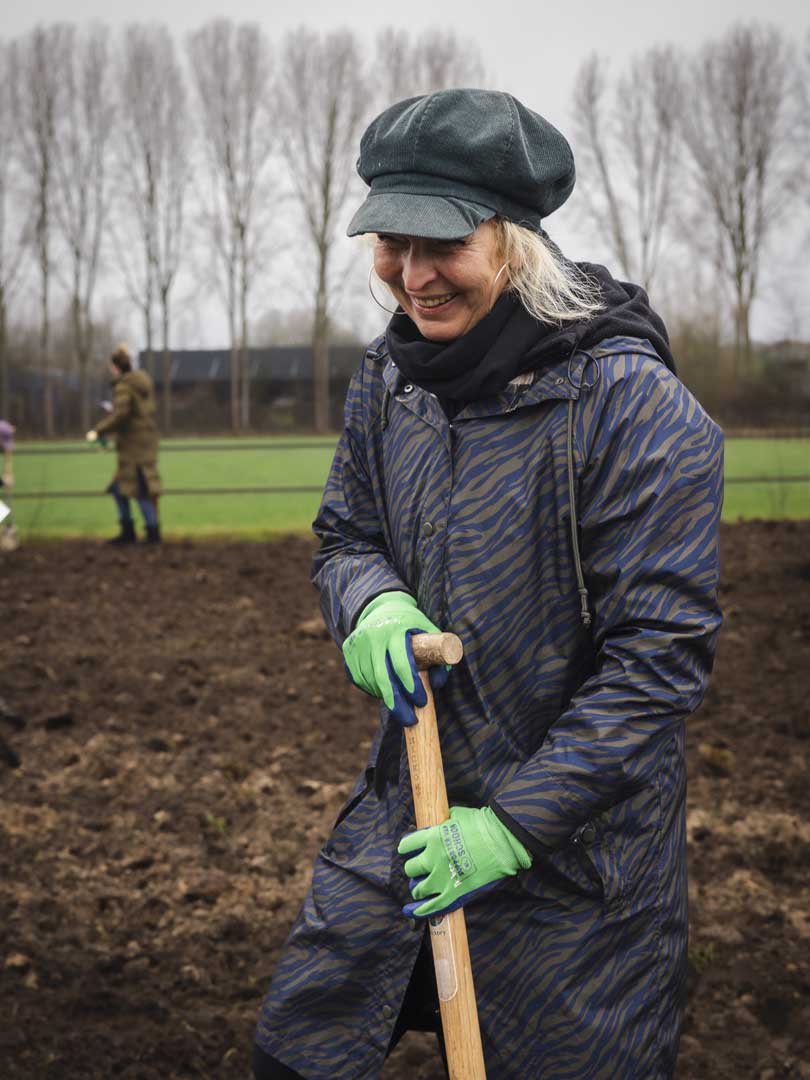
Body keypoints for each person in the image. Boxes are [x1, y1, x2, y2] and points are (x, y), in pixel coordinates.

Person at [253, 89, 723, 1080]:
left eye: (444, 246)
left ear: (514, 241)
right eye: (391, 243)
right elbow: (347, 534)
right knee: (299, 1055)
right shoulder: (390, 378)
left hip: (578, 868)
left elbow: (658, 661)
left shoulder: (630, 405)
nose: (413, 275)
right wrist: (370, 599)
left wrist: (512, 828)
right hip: (405, 819)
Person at [86, 344, 162, 544]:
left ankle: (151, 534)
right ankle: (133, 531)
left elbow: (121, 415)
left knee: (140, 489)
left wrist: (98, 430)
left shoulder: (123, 387)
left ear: (115, 367)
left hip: (133, 446)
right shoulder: (142, 384)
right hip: (146, 441)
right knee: (120, 488)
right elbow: (137, 413)